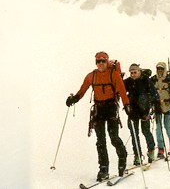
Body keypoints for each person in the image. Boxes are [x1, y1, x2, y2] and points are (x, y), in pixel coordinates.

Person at [65, 51, 130, 181]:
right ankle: (103, 169)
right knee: (100, 141)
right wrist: (74, 99)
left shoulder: (114, 74)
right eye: (98, 61)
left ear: (107, 62)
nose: (101, 63)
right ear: (96, 63)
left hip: (111, 108)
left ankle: (122, 158)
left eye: (103, 61)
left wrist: (127, 105)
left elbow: (122, 91)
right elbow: (83, 90)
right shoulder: (91, 76)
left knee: (113, 137)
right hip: (98, 110)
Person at [124, 63, 161, 165]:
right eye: (131, 73)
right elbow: (120, 90)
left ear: (139, 72)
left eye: (135, 72)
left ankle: (151, 150)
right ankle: (137, 155)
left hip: (144, 110)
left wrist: (157, 103)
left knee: (145, 131)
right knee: (134, 134)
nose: (133, 74)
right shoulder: (128, 82)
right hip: (132, 111)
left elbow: (154, 93)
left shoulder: (146, 80)